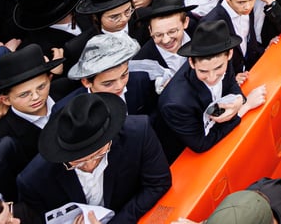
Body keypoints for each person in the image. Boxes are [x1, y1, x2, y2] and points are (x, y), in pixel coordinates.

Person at [17, 92, 172, 224]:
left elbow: (158, 183)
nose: (90, 164)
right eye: (77, 162)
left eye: (99, 154)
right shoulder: (34, 180)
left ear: (110, 138)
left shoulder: (138, 133)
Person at [157, 20, 267, 155]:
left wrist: (239, 99)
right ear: (191, 62)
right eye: (203, 71)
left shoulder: (223, 59)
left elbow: (231, 84)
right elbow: (201, 143)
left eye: (218, 68)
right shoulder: (175, 103)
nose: (212, 77)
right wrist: (244, 107)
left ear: (229, 55)